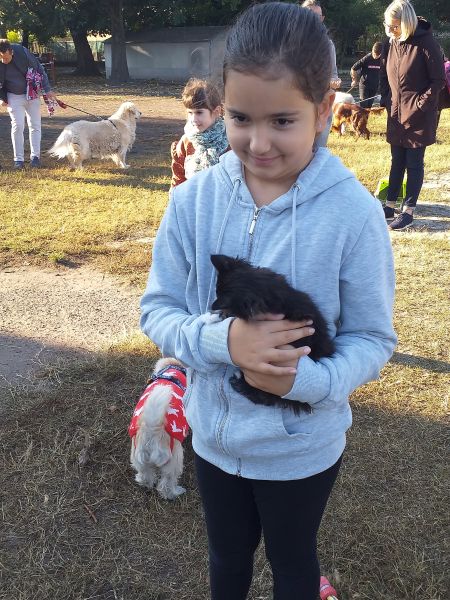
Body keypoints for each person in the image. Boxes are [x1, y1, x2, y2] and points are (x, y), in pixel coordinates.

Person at [140, 3, 396, 599]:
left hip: (301, 449)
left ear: (324, 109)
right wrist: (223, 340)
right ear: (221, 107)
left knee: (293, 565)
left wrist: (306, 381)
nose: (258, 143)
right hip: (211, 437)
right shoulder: (191, 201)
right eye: (239, 118)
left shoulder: (354, 214)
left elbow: (373, 338)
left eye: (282, 120)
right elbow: (158, 309)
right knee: (226, 559)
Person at [379, 0, 445, 230]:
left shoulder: (426, 43)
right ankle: (389, 205)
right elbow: (384, 76)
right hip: (396, 113)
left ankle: (408, 211)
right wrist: (386, 100)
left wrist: (420, 105)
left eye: (394, 26)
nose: (390, 30)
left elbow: (438, 81)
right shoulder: (390, 43)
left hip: (419, 114)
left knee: (414, 162)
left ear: (406, 23)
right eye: (387, 25)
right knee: (397, 159)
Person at [0, 39, 56, 169]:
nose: (3, 61)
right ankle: (18, 160)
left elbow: (39, 69)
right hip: (13, 96)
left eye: (6, 58)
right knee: (17, 126)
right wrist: (2, 98)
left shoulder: (23, 52)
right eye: (1, 58)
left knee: (35, 125)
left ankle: (35, 157)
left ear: (11, 52)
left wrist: (47, 90)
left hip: (32, 93)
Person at [170, 78, 229, 188]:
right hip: (193, 197)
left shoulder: (231, 141)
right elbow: (178, 181)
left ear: (216, 111)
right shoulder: (185, 142)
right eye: (190, 113)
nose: (193, 119)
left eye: (199, 112)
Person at [301, 0, 341, 147]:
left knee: (318, 150)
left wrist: (334, 80)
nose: (314, 20)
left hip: (321, 103)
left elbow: (333, 73)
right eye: (309, 15)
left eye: (317, 17)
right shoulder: (289, 41)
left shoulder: (328, 45)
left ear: (322, 19)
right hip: (296, 103)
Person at [350, 42, 383, 108]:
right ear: (372, 51)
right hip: (364, 85)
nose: (375, 57)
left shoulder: (383, 59)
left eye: (378, 55)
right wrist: (354, 80)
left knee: (369, 106)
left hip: (374, 86)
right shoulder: (367, 58)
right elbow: (353, 68)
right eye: (374, 54)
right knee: (364, 105)